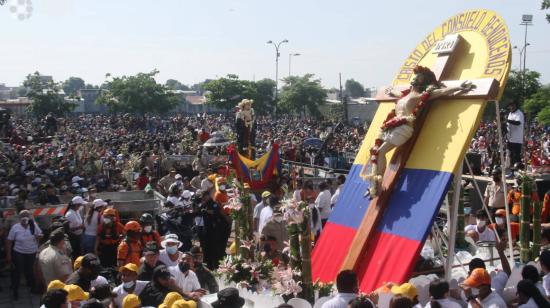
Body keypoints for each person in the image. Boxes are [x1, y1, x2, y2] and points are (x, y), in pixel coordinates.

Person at [365, 65, 474, 197]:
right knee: (375, 152)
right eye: (416, 76)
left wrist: (459, 87)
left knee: (381, 152)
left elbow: (441, 92)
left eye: (420, 77)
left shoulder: (420, 96)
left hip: (403, 129)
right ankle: (373, 184)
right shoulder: (403, 95)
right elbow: (394, 93)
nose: (416, 78)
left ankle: (377, 185)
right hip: (392, 127)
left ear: (423, 82)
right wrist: (389, 90)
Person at [6, 209, 43, 299]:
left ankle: (32, 287)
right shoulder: (15, 227)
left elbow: (41, 235)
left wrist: (37, 235)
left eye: (27, 215)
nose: (24, 218)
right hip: (19, 252)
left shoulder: (33, 225)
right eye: (23, 216)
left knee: (30, 271)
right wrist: (9, 255)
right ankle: (15, 291)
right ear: (19, 218)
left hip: (31, 252)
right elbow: (9, 241)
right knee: (17, 271)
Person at [507, 101, 525, 170]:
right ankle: (512, 171)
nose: (511, 107)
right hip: (510, 138)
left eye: (513, 105)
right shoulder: (510, 113)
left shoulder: (519, 113)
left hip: (517, 139)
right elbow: (508, 124)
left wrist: (507, 121)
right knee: (511, 155)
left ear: (515, 106)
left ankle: (520, 170)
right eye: (510, 106)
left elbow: (518, 123)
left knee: (516, 156)